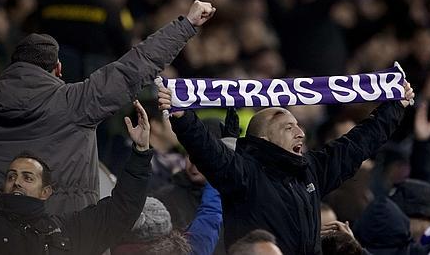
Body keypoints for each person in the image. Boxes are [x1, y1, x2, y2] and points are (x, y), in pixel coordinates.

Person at [0, 0, 215, 213]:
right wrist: (186, 25)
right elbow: (133, 68)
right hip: (69, 237)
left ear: (14, 66)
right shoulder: (76, 103)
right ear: (58, 68)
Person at [0, 62, 154, 255]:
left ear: (46, 192)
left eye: (28, 177)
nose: (17, 182)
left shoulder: (67, 231)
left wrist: (141, 152)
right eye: (11, 176)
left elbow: (122, 209)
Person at [158, 80, 415, 254]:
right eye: (288, 126)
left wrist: (395, 107)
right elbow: (207, 150)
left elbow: (357, 144)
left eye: (299, 126)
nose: (300, 133)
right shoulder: (244, 172)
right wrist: (182, 116)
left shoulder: (311, 169)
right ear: (264, 138)